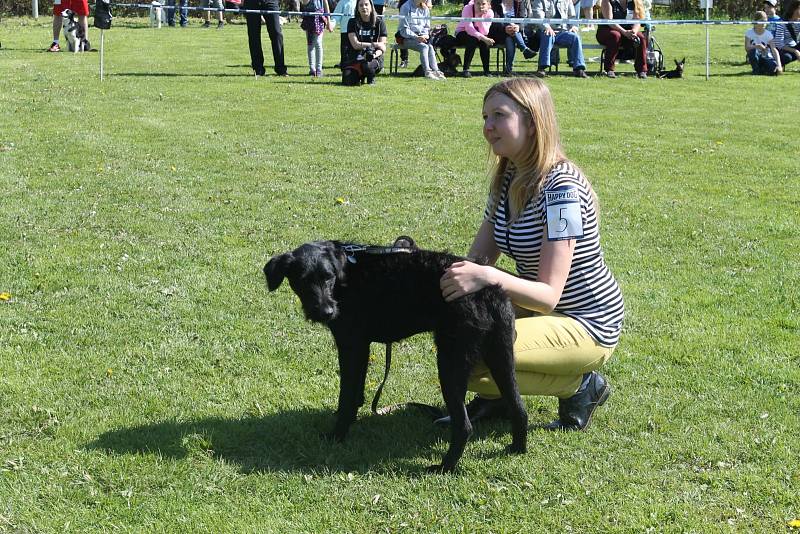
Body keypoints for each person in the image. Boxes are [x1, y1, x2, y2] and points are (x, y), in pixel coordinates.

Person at [437, 78, 624, 432]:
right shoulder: (508, 177)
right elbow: (479, 258)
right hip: (540, 306)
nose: (487, 127)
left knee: (476, 359)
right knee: (460, 338)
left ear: (533, 121)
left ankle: (582, 386)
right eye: (484, 117)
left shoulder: (561, 190)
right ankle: (496, 400)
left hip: (587, 320)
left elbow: (549, 295)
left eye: (498, 116)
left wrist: (490, 278)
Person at [531, 0, 588, 77]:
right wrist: (546, 27)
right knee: (548, 35)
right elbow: (538, 15)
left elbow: (572, 16)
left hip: (562, 31)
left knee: (575, 37)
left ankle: (579, 69)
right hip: (544, 30)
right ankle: (542, 68)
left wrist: (573, 26)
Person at [595, 0, 648, 78]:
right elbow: (610, 21)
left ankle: (642, 70)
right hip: (607, 30)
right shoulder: (607, 1)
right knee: (615, 35)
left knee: (641, 37)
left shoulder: (634, 2)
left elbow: (637, 20)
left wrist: (634, 31)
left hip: (626, 32)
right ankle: (609, 70)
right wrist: (624, 32)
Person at [341, 0, 388, 85]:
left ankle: (371, 77)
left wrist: (372, 55)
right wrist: (374, 44)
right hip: (356, 57)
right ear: (357, 8)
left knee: (367, 65)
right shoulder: (352, 22)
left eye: (366, 4)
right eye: (361, 5)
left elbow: (382, 48)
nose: (364, 7)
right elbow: (355, 45)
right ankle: (360, 75)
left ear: (371, 6)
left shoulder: (380, 23)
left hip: (374, 58)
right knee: (348, 80)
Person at [398, 0, 447, 80]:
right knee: (424, 47)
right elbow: (404, 30)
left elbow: (427, 27)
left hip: (422, 37)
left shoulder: (425, 9)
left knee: (430, 47)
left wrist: (425, 35)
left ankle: (436, 71)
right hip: (405, 38)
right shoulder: (405, 7)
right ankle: (427, 72)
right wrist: (416, 37)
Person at [489, 0, 537, 76]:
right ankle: (524, 49)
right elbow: (493, 21)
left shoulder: (520, 3)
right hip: (498, 32)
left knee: (510, 38)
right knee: (511, 34)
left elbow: (523, 20)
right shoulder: (495, 2)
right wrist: (504, 29)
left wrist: (518, 26)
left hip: (515, 32)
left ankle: (508, 70)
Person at [245, 0, 288, 76]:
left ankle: (281, 69)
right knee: (253, 35)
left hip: (270, 2)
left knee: (276, 33)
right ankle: (258, 69)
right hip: (251, 3)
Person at [454, 0, 495, 78]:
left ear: (488, 4)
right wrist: (484, 38)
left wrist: (480, 17)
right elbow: (469, 28)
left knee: (484, 43)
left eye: (483, 4)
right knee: (472, 40)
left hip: (480, 33)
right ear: (474, 3)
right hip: (463, 31)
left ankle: (486, 70)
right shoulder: (467, 8)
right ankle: (466, 69)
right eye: (478, 3)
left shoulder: (490, 13)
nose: (480, 6)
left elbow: (485, 31)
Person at [301, 0, 334, 77]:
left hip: (319, 18)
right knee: (310, 44)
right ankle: (312, 69)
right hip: (309, 18)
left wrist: (328, 21)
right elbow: (304, 3)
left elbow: (326, 6)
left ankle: (319, 69)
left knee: (318, 43)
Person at [746, 11, 782, 75]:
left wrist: (779, 65)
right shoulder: (749, 33)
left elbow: (774, 49)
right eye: (761, 21)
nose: (764, 24)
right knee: (753, 52)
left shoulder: (768, 34)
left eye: (765, 21)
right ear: (755, 21)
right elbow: (747, 48)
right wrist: (757, 46)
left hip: (766, 56)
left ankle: (763, 69)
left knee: (773, 70)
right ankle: (756, 70)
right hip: (755, 56)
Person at [331, 0, 358, 67]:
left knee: (356, 48)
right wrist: (332, 24)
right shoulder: (342, 2)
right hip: (345, 31)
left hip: (357, 30)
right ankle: (344, 64)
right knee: (345, 50)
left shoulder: (359, 2)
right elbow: (336, 16)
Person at [774, 0, 800, 68]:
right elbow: (779, 44)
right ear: (794, 10)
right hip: (784, 49)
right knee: (787, 58)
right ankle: (777, 64)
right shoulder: (782, 23)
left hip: (794, 46)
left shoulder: (799, 22)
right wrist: (795, 51)